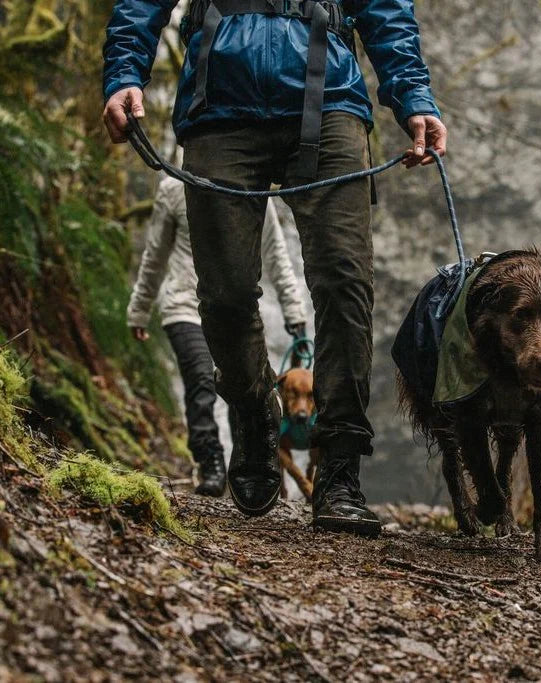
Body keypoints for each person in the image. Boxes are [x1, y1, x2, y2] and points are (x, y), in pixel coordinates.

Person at [103, 0, 447, 537]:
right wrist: (125, 72)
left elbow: (384, 7)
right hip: (218, 105)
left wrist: (414, 97)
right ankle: (252, 411)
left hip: (330, 99)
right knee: (224, 294)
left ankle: (338, 469)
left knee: (346, 283)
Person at [127, 179, 307, 497]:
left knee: (243, 386)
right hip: (184, 305)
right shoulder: (172, 187)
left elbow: (277, 255)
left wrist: (294, 312)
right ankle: (210, 464)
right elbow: (155, 253)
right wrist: (139, 308)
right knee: (201, 382)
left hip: (234, 312)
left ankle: (249, 462)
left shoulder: (253, 185)